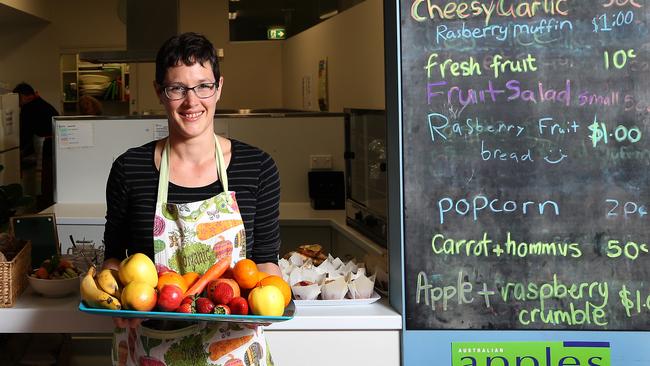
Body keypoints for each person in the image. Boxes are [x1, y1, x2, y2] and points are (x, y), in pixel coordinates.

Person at [102, 32, 281, 365]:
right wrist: (113, 301)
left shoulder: (258, 168)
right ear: (159, 91)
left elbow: (266, 261)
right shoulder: (130, 169)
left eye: (203, 86)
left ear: (219, 87)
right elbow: (113, 257)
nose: (191, 101)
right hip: (148, 347)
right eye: (177, 89)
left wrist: (270, 306)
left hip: (235, 350)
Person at [12, 83, 59, 210]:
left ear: (22, 96)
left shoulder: (29, 108)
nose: (17, 104)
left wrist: (19, 151)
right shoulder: (41, 103)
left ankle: (45, 212)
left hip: (47, 148)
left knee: (45, 184)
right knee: (50, 183)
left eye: (17, 99)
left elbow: (25, 134)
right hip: (54, 147)